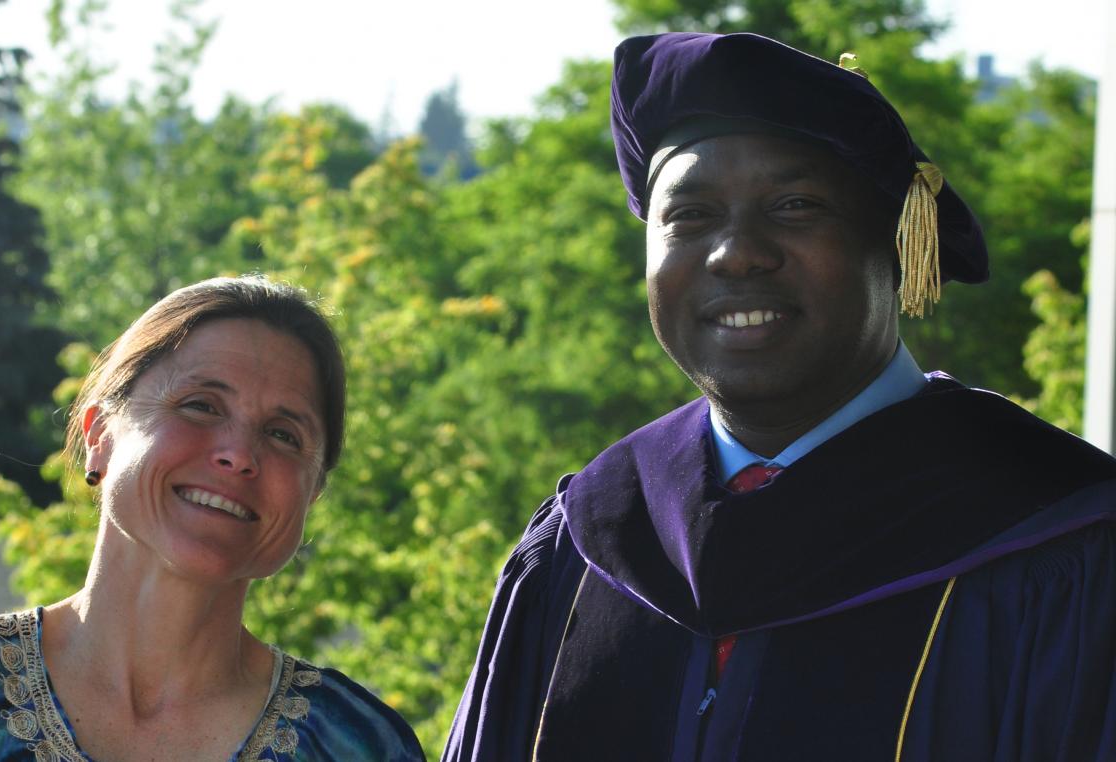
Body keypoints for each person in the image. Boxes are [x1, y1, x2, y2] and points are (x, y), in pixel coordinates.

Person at [443, 32, 1116, 762]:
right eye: (690, 216)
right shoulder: (587, 538)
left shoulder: (1059, 540)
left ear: (897, 241)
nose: (737, 252)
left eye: (795, 205)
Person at [0, 276, 426, 761]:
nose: (239, 455)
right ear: (100, 437)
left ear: (312, 492)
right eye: (201, 405)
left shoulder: (359, 748)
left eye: (283, 434)